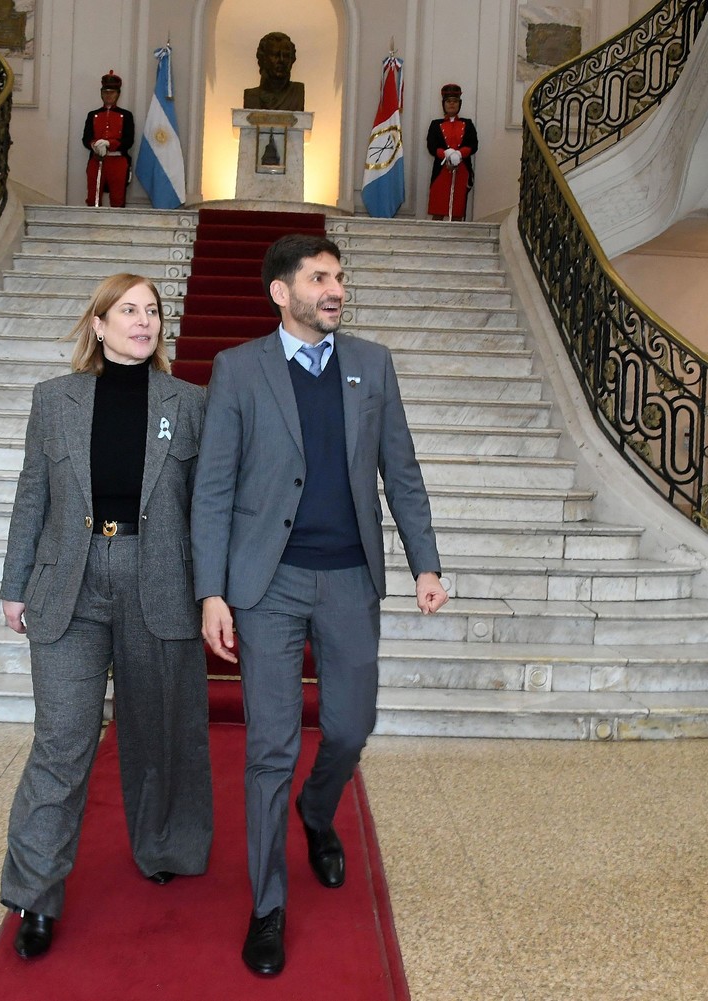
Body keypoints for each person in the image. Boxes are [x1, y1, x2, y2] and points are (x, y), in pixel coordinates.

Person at [192, 234, 448, 976]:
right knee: (269, 746)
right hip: (265, 584)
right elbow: (213, 487)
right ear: (282, 292)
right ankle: (267, 904)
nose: (335, 288)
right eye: (319, 277)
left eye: (339, 276)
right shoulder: (237, 370)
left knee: (348, 724)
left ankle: (317, 808)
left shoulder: (372, 364)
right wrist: (213, 590)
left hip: (347, 578)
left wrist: (424, 562)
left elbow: (400, 470)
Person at [0, 273, 212, 960]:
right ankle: (34, 892)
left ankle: (164, 845)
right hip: (69, 583)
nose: (143, 321)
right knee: (61, 742)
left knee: (158, 730)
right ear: (98, 323)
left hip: (160, 579)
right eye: (128, 310)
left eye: (152, 311)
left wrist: (214, 590)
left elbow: (205, 507)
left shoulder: (190, 402)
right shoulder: (53, 400)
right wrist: (13, 584)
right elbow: (32, 492)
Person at [426, 83, 478, 220]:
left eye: (455, 101)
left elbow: (473, 144)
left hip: (462, 170)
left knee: (457, 210)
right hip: (441, 170)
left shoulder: (468, 123)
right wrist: (446, 154)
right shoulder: (435, 124)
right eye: (448, 101)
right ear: (443, 104)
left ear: (459, 104)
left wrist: (460, 154)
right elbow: (431, 146)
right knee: (438, 207)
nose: (452, 104)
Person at [82, 72, 135, 207]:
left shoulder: (126, 115)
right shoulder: (93, 115)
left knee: (118, 199)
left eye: (112, 92)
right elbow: (86, 138)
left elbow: (128, 140)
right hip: (97, 160)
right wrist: (94, 145)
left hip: (117, 161)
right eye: (106, 92)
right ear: (101, 93)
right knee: (93, 198)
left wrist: (110, 144)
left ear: (118, 94)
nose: (108, 95)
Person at [242, 31, 306, 111]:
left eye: (286, 55)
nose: (281, 60)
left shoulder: (297, 93)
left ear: (292, 60)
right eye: (275, 55)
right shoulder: (251, 96)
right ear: (263, 59)